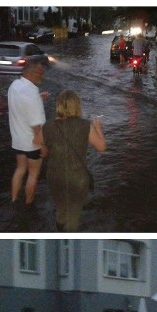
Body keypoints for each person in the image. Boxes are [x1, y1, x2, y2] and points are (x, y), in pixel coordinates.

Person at [42, 90, 106, 232]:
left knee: (60, 207)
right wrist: (98, 129)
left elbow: (41, 149)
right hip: (77, 178)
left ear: (58, 105)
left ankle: (60, 227)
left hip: (54, 176)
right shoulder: (84, 125)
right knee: (73, 214)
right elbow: (101, 148)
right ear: (77, 106)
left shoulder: (48, 126)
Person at [8, 59, 49, 207]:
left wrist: (38, 99)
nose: (42, 76)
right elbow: (36, 125)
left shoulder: (14, 86)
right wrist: (43, 145)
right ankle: (28, 204)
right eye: (40, 73)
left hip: (17, 140)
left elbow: (22, 105)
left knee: (20, 169)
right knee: (33, 174)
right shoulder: (32, 93)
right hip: (32, 144)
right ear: (32, 73)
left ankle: (13, 199)